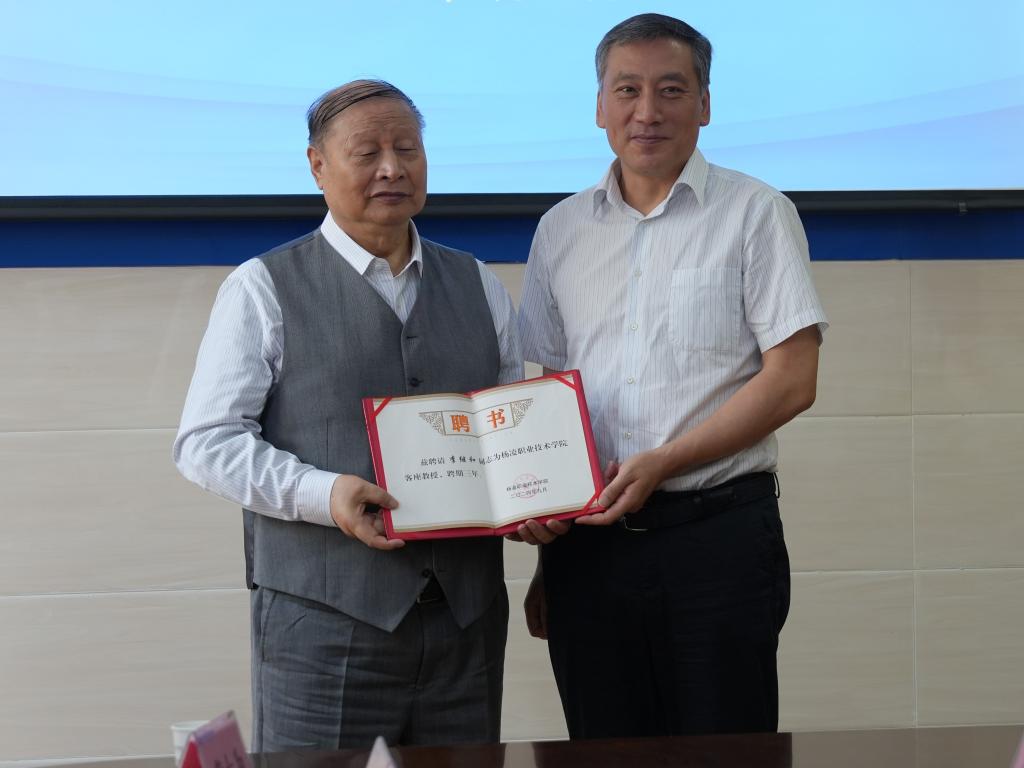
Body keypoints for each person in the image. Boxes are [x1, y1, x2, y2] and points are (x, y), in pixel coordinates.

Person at [174, 80, 522, 751]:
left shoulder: (479, 283)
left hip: (467, 623)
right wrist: (322, 492)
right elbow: (206, 442)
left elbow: (510, 427)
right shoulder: (261, 287)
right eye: (367, 153)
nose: (392, 167)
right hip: (323, 627)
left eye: (407, 149)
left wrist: (536, 496)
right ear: (317, 166)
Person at [515, 14, 828, 738]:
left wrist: (665, 461)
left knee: (728, 748)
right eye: (627, 90)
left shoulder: (757, 213)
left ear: (705, 104)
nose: (647, 111)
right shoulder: (560, 229)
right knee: (601, 748)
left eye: (671, 90)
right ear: (600, 106)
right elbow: (555, 396)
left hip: (716, 538)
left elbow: (793, 379)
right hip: (588, 551)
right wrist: (548, 553)